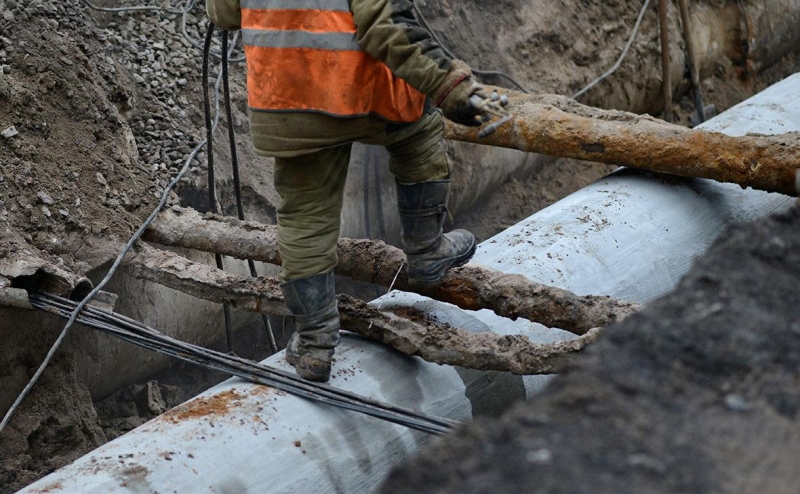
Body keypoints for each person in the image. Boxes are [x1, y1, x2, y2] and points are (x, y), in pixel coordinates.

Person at [206, 0, 488, 382]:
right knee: (419, 132)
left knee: (304, 218)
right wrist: (447, 84)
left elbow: (222, 15)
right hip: (364, 94)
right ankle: (426, 251)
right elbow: (385, 25)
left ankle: (314, 344)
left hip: (288, 102)